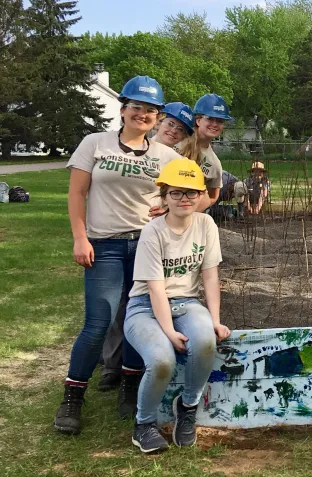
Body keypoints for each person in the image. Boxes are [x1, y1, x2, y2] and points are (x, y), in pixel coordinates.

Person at [54, 76, 183, 435]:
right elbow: (77, 194)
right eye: (137, 107)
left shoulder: (167, 156)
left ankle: (130, 386)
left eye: (151, 110)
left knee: (136, 320)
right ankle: (72, 397)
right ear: (123, 109)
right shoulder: (94, 144)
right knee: (99, 322)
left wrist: (167, 206)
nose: (143, 114)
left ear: (158, 117)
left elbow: (195, 194)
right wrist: (80, 238)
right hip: (105, 245)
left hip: (147, 246)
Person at [123, 158, 230, 453]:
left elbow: (210, 275)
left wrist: (215, 319)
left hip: (186, 302)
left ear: (201, 195)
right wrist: (169, 332)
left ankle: (187, 407)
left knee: (206, 340)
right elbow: (156, 288)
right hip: (145, 305)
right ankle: (143, 425)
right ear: (164, 196)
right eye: (176, 193)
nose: (184, 199)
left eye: (191, 192)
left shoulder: (206, 224)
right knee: (162, 360)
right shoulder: (153, 232)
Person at [98, 103, 198, 385]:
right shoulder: (132, 148)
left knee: (141, 299)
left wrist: (168, 209)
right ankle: (111, 364)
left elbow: (187, 197)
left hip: (152, 237)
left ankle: (137, 364)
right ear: (159, 122)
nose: (173, 131)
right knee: (116, 303)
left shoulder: (175, 161)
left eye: (180, 130)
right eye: (170, 124)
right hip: (117, 234)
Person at [175, 94, 231, 211]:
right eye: (210, 118)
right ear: (198, 120)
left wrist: (187, 211)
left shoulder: (214, 163)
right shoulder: (177, 140)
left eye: (220, 121)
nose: (215, 124)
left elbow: (212, 196)